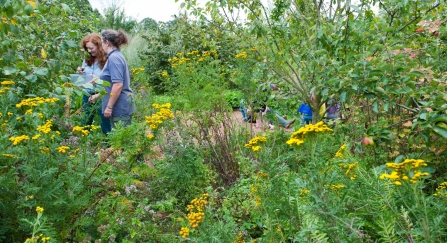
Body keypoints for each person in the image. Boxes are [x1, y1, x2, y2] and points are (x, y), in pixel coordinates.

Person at [89, 29, 135, 129]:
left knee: (122, 143)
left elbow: (118, 85)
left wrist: (109, 107)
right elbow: (111, 83)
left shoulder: (114, 58)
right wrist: (99, 83)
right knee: (120, 142)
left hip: (120, 108)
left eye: (101, 42)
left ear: (107, 42)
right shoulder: (115, 56)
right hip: (120, 106)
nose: (101, 45)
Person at [77, 33, 111, 134]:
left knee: (105, 123)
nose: (89, 51)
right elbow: (83, 79)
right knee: (85, 122)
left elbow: (111, 80)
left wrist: (98, 80)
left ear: (99, 46)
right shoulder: (87, 60)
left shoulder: (107, 60)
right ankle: (83, 145)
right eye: (87, 48)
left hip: (102, 94)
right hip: (87, 94)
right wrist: (80, 72)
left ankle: (109, 146)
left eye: (91, 48)